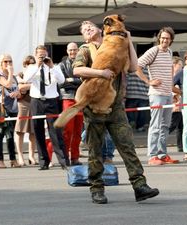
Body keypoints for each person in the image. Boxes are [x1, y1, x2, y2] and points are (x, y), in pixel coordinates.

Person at [72, 20, 159, 204]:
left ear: (100, 29)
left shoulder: (116, 45)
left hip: (116, 105)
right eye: (84, 29)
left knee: (127, 145)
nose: (87, 29)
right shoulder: (86, 49)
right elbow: (77, 69)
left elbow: (134, 67)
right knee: (95, 150)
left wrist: (128, 40)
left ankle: (140, 186)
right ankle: (96, 188)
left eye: (90, 26)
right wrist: (100, 73)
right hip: (94, 106)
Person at [136, 27, 179, 165]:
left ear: (171, 40)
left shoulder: (169, 52)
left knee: (165, 125)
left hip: (167, 94)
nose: (165, 40)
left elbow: (169, 73)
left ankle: (162, 153)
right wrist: (148, 81)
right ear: (159, 38)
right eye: (163, 38)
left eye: (167, 38)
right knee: (155, 125)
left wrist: (173, 92)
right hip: (156, 94)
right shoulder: (153, 51)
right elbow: (136, 65)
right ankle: (152, 155)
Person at [23, 45, 69, 170]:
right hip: (36, 101)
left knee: (55, 132)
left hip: (51, 101)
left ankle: (63, 161)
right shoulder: (31, 68)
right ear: (36, 55)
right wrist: (37, 65)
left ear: (47, 54)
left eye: (44, 55)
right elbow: (26, 79)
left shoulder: (54, 67)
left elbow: (62, 80)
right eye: (40, 56)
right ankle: (44, 162)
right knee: (38, 132)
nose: (42, 58)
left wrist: (52, 67)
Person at [0, 54, 21, 168]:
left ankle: (13, 159)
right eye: (5, 61)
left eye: (10, 61)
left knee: (10, 134)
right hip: (2, 108)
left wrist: (17, 93)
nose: (8, 63)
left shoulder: (14, 76)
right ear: (1, 63)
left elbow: (19, 92)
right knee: (0, 133)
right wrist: (10, 73)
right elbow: (7, 84)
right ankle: (0, 160)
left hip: (13, 108)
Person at [58, 42, 83, 166]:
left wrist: (71, 80)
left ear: (78, 50)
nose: (73, 52)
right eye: (70, 50)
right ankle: (65, 157)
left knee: (78, 131)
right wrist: (76, 81)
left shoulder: (83, 64)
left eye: (74, 50)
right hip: (68, 98)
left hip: (81, 99)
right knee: (68, 130)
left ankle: (75, 157)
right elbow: (61, 83)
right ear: (67, 51)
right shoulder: (62, 65)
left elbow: (84, 81)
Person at [14, 55, 37, 166]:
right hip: (22, 103)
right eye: (28, 63)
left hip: (34, 102)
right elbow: (21, 88)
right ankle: (20, 156)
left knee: (33, 131)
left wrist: (26, 85)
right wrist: (31, 85)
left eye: (33, 63)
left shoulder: (36, 74)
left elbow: (25, 87)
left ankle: (31, 156)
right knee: (20, 130)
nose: (30, 65)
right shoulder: (20, 74)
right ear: (25, 64)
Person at [125, 68, 149, 132]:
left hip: (131, 93)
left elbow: (125, 80)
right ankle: (140, 126)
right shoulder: (147, 70)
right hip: (143, 94)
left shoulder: (130, 69)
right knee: (142, 112)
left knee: (129, 109)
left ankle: (131, 121)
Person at [169, 56, 184, 152]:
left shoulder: (178, 76)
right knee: (172, 125)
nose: (182, 67)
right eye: (180, 65)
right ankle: (160, 140)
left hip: (180, 104)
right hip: (175, 104)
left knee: (181, 126)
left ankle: (180, 145)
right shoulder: (172, 77)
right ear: (174, 65)